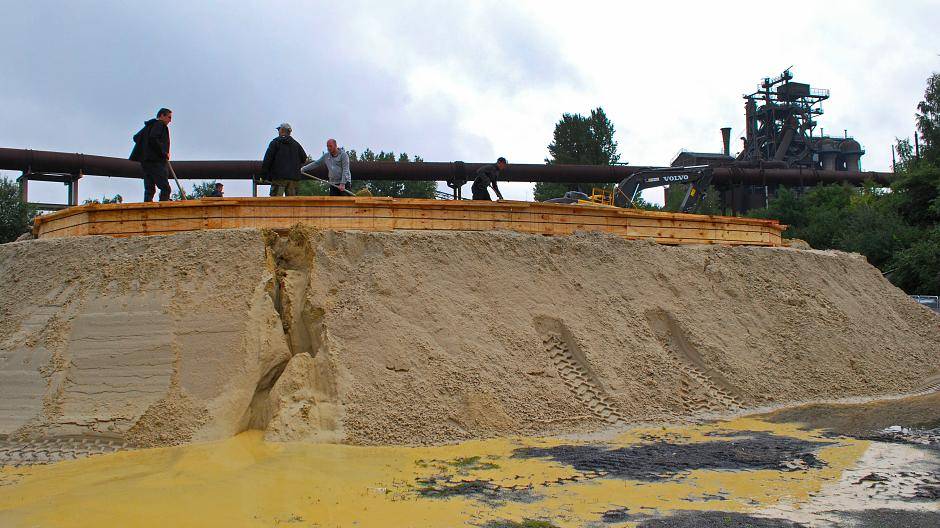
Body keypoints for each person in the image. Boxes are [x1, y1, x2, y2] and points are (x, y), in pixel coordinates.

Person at [130, 108, 172, 202]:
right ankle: (163, 207)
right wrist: (163, 152)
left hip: (145, 161)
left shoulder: (148, 126)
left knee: (149, 189)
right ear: (162, 115)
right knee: (165, 188)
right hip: (155, 161)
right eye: (169, 117)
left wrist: (146, 149)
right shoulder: (160, 124)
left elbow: (136, 137)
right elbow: (153, 138)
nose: (170, 120)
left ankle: (147, 207)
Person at [261, 123, 308, 196]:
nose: (278, 131)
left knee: (276, 203)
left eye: (279, 130)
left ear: (282, 130)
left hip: (279, 178)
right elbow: (304, 158)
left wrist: (263, 176)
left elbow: (267, 160)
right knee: (292, 204)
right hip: (293, 180)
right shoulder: (296, 144)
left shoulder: (275, 143)